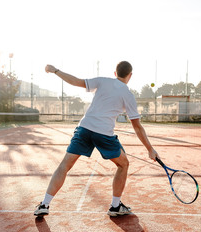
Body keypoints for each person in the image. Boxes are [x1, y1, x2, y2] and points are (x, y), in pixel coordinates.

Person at [34, 61, 160, 217]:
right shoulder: (128, 95)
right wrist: (150, 149)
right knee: (123, 164)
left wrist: (55, 71)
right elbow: (137, 126)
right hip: (103, 134)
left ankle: (44, 204)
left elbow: (75, 81)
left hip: (84, 128)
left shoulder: (103, 81)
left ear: (115, 73)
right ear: (130, 75)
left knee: (64, 165)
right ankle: (115, 206)